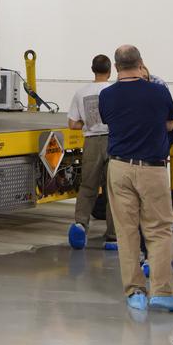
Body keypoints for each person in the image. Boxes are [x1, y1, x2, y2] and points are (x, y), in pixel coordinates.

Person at [99, 44, 173, 312]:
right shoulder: (159, 92)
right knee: (159, 230)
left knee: (126, 232)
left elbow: (110, 123)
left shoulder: (107, 96)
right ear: (141, 63)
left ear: (116, 67)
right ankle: (160, 291)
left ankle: (135, 292)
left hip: (119, 168)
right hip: (152, 168)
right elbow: (170, 125)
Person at [67, 54, 117, 250]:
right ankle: (113, 237)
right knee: (112, 190)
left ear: (92, 69)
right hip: (113, 141)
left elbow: (72, 124)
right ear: (110, 70)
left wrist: (88, 123)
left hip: (91, 141)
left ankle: (80, 223)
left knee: (88, 187)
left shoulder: (81, 92)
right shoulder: (114, 91)